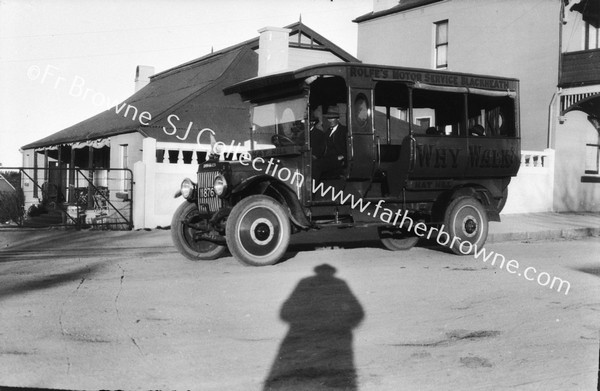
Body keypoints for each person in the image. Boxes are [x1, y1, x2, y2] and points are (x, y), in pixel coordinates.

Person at [313, 106, 348, 181]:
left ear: (338, 119)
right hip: (328, 159)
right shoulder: (327, 132)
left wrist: (342, 156)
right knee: (312, 163)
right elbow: (322, 148)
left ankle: (312, 189)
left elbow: (349, 146)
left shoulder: (344, 131)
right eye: (328, 118)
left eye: (332, 118)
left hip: (338, 160)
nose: (330, 120)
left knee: (316, 165)